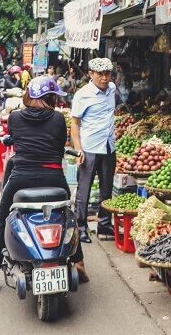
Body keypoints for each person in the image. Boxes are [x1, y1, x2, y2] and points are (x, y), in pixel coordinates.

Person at [0, 76, 87, 288]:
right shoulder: (58, 119)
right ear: (50, 98)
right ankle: (78, 263)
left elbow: (13, 138)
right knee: (69, 216)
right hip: (54, 178)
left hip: (21, 178)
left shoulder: (14, 118)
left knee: (1, 218)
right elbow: (60, 144)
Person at [70, 58, 116, 243]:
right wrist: (78, 150)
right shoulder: (83, 95)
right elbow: (74, 123)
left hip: (108, 146)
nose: (105, 78)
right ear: (91, 74)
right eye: (100, 74)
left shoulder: (112, 89)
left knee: (106, 190)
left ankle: (105, 225)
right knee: (84, 191)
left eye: (107, 74)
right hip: (89, 148)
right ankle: (80, 227)